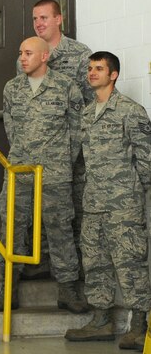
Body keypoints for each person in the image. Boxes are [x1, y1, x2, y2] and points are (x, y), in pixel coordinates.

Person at [0, 36, 87, 314]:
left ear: (44, 56)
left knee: (60, 229)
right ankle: (9, 286)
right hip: (19, 170)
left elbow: (77, 131)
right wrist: (24, 154)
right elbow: (11, 127)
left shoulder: (67, 87)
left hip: (55, 172)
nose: (22, 58)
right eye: (20, 53)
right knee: (12, 227)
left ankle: (67, 289)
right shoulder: (12, 88)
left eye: (28, 53)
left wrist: (61, 161)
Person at [65, 51, 151, 349]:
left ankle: (139, 325)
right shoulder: (87, 114)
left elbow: (146, 161)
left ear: (113, 75)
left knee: (130, 264)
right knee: (95, 263)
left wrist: (144, 206)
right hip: (93, 204)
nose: (92, 73)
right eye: (90, 68)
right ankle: (100, 320)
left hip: (123, 205)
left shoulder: (131, 111)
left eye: (98, 69)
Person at [22, 0, 93, 280]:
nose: (39, 23)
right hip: (36, 151)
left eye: (44, 18)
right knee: (37, 210)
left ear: (58, 20)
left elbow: (88, 104)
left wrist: (77, 147)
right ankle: (42, 262)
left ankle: (73, 274)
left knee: (70, 213)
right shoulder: (26, 54)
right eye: (35, 19)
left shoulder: (78, 54)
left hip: (70, 151)